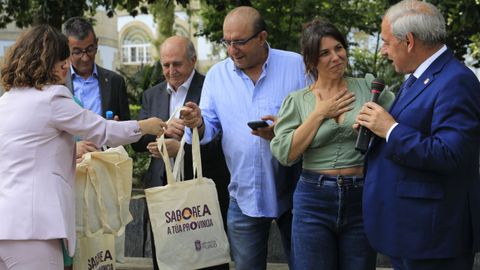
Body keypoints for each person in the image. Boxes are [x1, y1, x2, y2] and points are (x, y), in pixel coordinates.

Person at [0, 25, 166, 270]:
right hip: (34, 228)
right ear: (47, 63)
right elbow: (103, 130)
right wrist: (144, 125)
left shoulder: (7, 99)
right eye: (61, 61)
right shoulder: (53, 97)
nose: (67, 67)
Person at [355, 1, 480, 269]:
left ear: (409, 41)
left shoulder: (456, 80)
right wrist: (377, 131)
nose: (385, 51)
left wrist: (390, 129)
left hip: (433, 236)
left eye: (387, 42)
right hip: (411, 229)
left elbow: (450, 154)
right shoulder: (419, 76)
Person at [181, 6, 306, 270]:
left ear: (262, 37)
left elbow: (318, 115)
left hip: (296, 192)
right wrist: (197, 123)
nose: (231, 49)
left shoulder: (296, 65)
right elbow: (209, 129)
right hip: (243, 193)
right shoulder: (217, 75)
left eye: (239, 42)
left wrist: (282, 132)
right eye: (227, 42)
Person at [270, 18, 394, 270]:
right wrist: (320, 113)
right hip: (313, 198)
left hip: (361, 195)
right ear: (311, 60)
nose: (336, 57)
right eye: (324, 53)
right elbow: (286, 153)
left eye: (339, 48)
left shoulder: (369, 88)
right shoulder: (298, 101)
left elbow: (398, 126)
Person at [131, 35, 230, 270]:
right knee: (166, 262)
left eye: (177, 64)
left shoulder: (211, 88)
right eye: (166, 65)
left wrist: (182, 150)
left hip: (200, 196)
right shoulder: (152, 94)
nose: (171, 70)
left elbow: (222, 141)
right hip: (162, 195)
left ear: (193, 60)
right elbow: (137, 142)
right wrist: (163, 133)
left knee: (208, 262)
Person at [63, 17, 131, 158]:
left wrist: (116, 130)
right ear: (66, 49)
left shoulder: (115, 82)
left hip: (106, 164)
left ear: (96, 44)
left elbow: (127, 130)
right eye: (77, 52)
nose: (85, 57)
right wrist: (73, 148)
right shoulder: (57, 84)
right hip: (69, 169)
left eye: (89, 49)